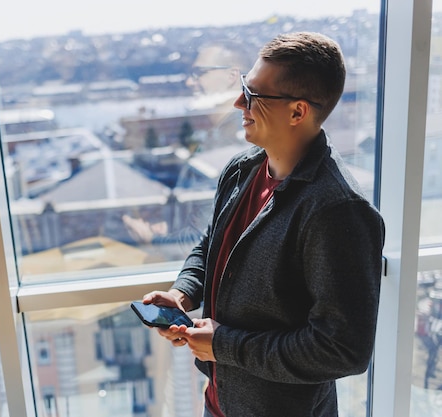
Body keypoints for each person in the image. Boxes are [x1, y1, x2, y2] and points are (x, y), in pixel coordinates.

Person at [141, 31, 386, 417]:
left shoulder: (338, 212)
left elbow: (343, 351)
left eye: (254, 95)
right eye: (243, 87)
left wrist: (225, 346)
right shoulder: (243, 169)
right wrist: (183, 293)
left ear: (297, 112)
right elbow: (211, 245)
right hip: (221, 401)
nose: (239, 102)